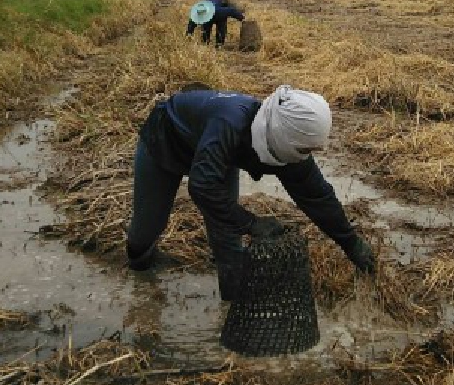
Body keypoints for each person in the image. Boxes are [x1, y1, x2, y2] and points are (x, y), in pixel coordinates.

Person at [125, 84, 376, 300]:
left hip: (218, 157)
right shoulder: (231, 125)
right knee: (145, 230)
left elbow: (317, 197)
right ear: (282, 135)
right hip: (166, 140)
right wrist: (251, 223)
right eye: (305, 148)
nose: (307, 154)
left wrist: (350, 243)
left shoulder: (293, 146)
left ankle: (233, 307)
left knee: (227, 236)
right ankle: (141, 283)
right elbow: (202, 187)